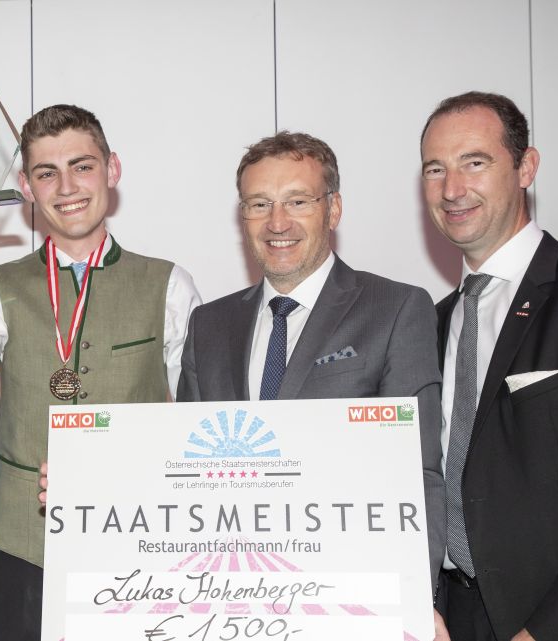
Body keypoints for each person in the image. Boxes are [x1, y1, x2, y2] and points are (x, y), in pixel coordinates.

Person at [0, 104, 202, 640]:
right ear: (26, 186)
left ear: (112, 169)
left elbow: (197, 428)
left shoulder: (170, 285)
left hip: (139, 543)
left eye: (82, 166)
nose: (67, 187)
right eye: (47, 173)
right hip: (25, 548)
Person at [176, 132, 447, 633]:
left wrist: (411, 598)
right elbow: (184, 468)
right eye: (259, 204)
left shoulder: (395, 310)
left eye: (298, 201)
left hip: (351, 601)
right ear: (242, 216)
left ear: (333, 209)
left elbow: (418, 473)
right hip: (230, 602)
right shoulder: (209, 325)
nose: (277, 222)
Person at [421, 91, 558, 641]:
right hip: (449, 617)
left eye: (475, 162)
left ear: (526, 167)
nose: (452, 189)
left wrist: (550, 628)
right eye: (435, 169)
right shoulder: (431, 323)